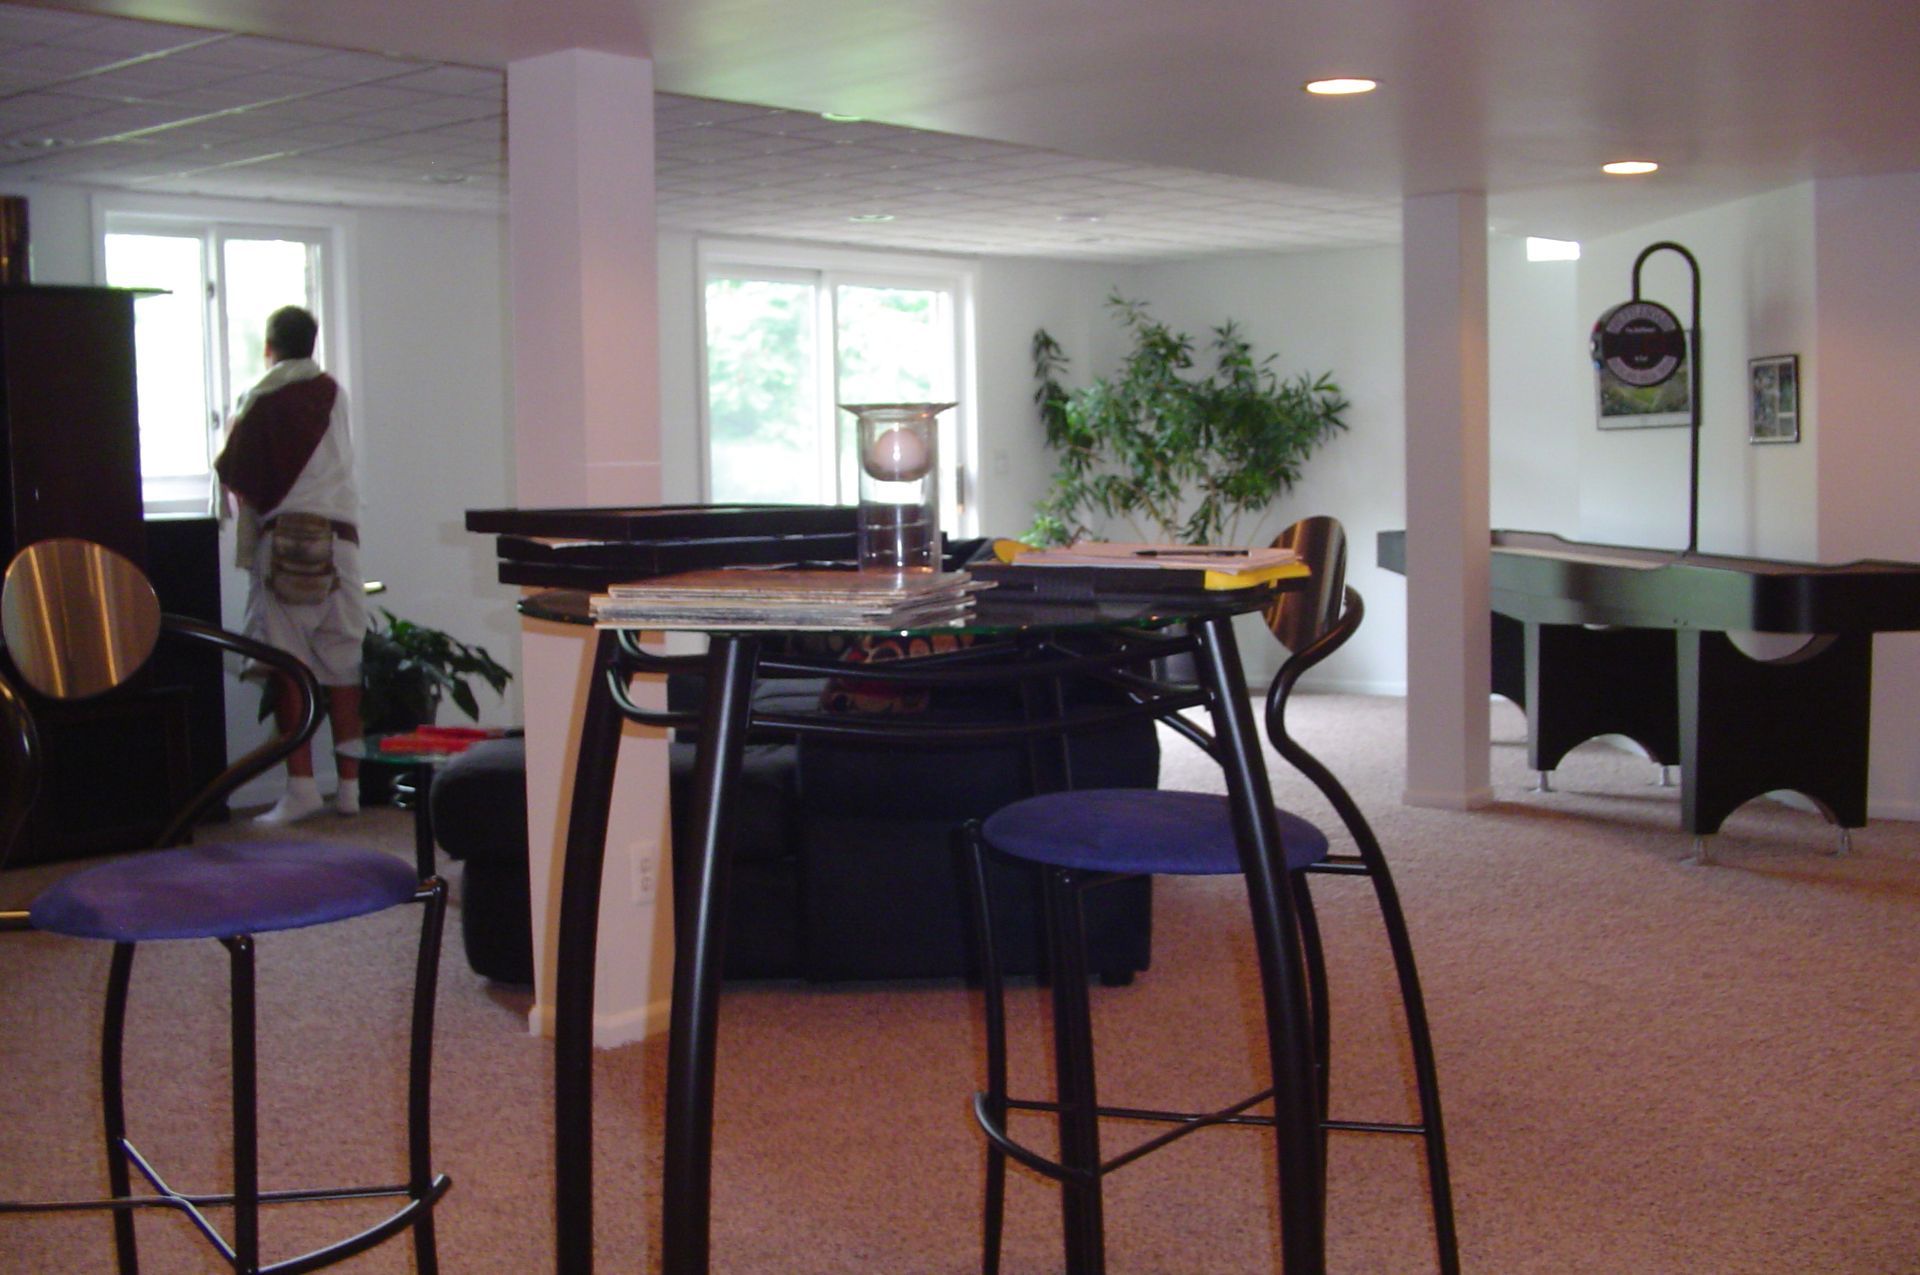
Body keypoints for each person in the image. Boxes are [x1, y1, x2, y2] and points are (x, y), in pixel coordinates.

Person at [213, 305, 366, 823]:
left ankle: (301, 789)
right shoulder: (335, 393)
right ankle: (350, 791)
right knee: (344, 667)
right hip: (342, 542)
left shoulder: (263, 397)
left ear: (269, 348)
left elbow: (240, 474)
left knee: (288, 667)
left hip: (287, 545)